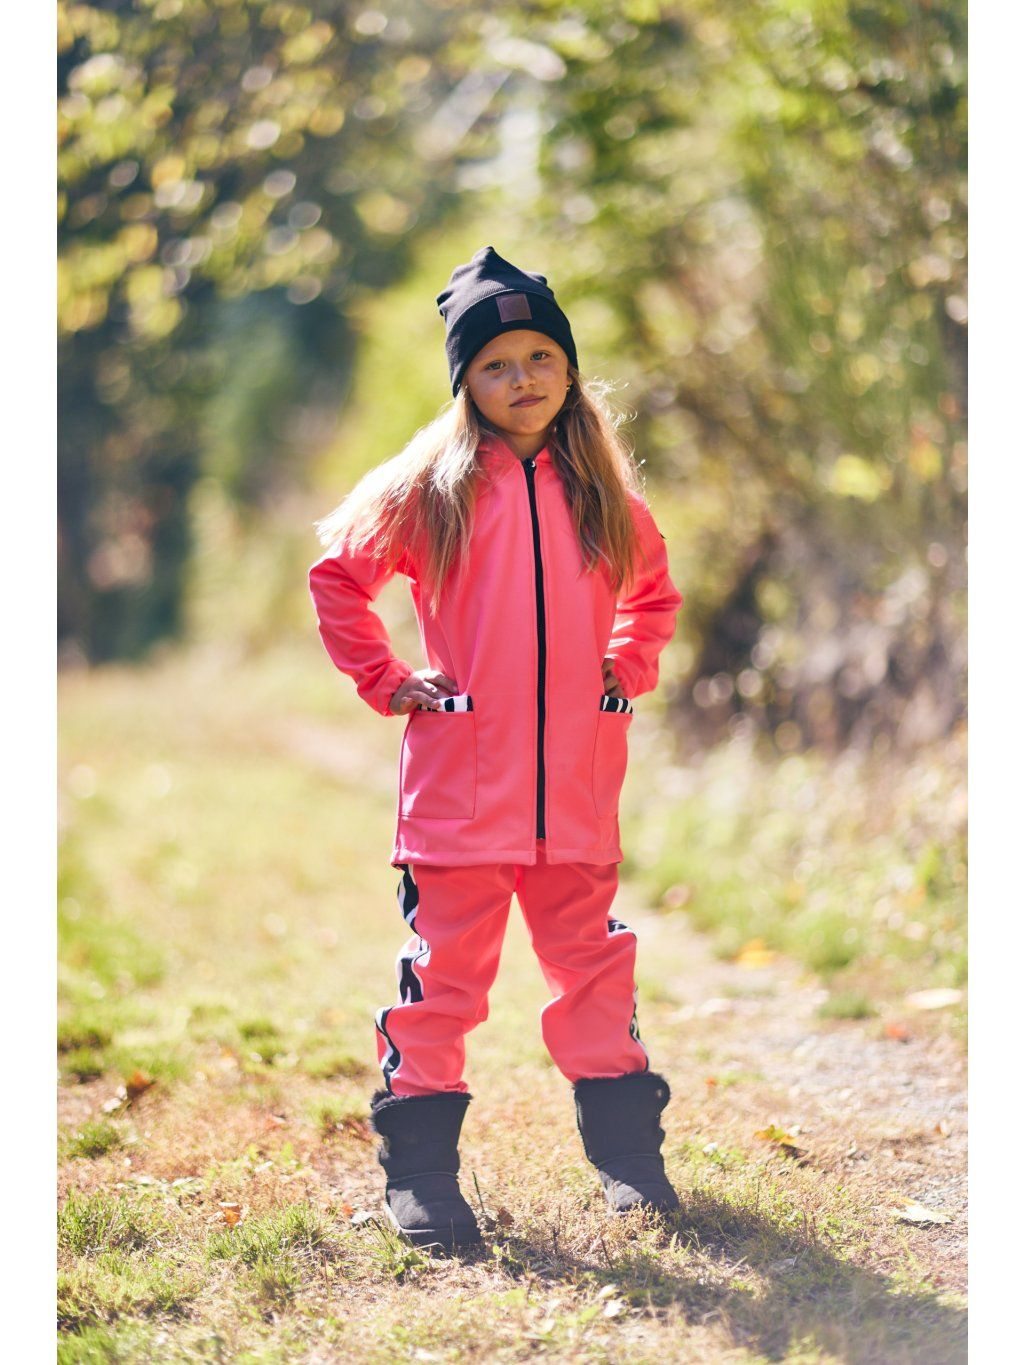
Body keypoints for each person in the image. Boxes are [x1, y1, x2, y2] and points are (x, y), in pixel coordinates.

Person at [307, 245, 685, 1253]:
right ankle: (422, 1180)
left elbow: (652, 596)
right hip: (460, 794)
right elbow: (337, 579)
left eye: (539, 358)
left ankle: (631, 1165)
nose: (523, 379)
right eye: (496, 366)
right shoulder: (431, 490)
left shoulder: (602, 494)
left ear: (567, 368)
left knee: (595, 972)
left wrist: (625, 664)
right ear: (466, 384)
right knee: (444, 984)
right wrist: (388, 679)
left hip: (576, 791)